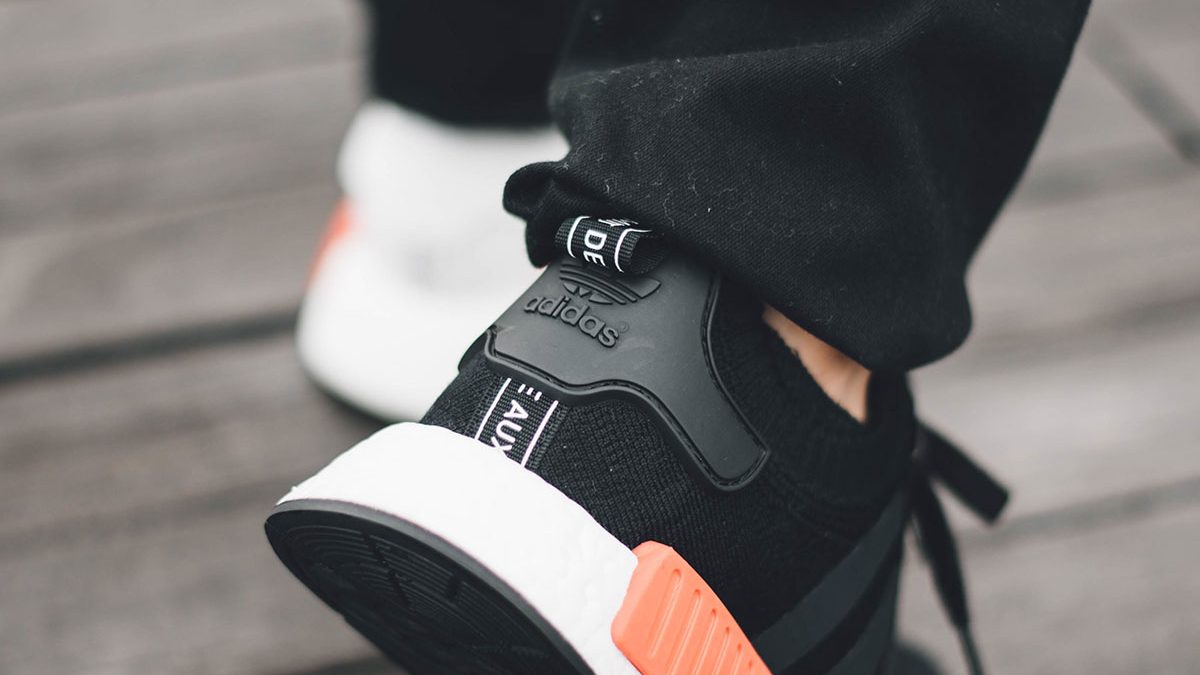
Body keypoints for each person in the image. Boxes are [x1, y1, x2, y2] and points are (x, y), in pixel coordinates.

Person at [268, 1, 1091, 673]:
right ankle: (764, 353)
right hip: (697, 410)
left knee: (475, 150)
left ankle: (452, 168)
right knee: (794, 337)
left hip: (435, 262)